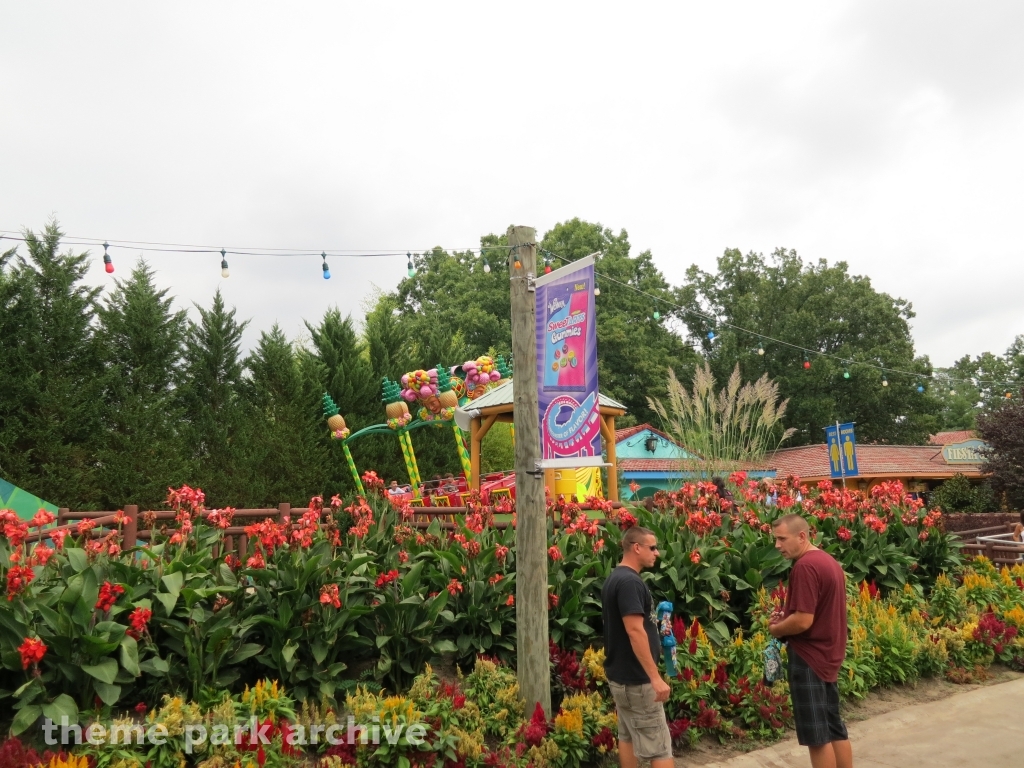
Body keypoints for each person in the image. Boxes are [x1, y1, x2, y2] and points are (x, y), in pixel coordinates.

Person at [769, 513, 853, 768]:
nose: (777, 545)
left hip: (809, 658)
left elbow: (804, 620)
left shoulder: (804, 567)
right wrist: (786, 616)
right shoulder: (827, 561)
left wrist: (777, 629)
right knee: (833, 726)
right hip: (828, 655)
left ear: (802, 536)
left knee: (816, 736)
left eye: (782, 539)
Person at [601, 526, 673, 768]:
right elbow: (634, 630)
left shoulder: (616, 578)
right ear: (636, 547)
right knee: (660, 747)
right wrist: (655, 678)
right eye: (652, 547)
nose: (657, 553)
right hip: (638, 681)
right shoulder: (630, 582)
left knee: (627, 736)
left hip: (620, 677)